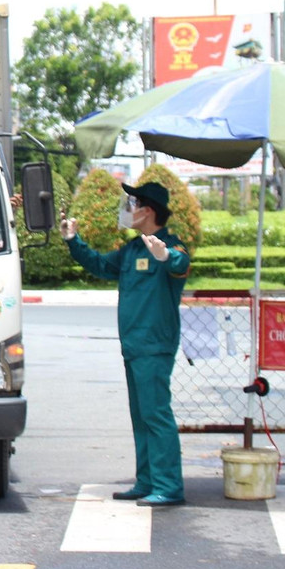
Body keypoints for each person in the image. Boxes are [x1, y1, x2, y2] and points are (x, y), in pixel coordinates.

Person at [61, 181, 191, 507]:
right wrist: (72, 240)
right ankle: (147, 480)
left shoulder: (171, 245)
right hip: (133, 344)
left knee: (156, 414)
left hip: (154, 344)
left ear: (147, 210)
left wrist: (165, 255)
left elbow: (179, 263)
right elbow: (101, 265)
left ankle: (168, 485)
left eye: (132, 204)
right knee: (141, 415)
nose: (127, 209)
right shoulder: (132, 250)